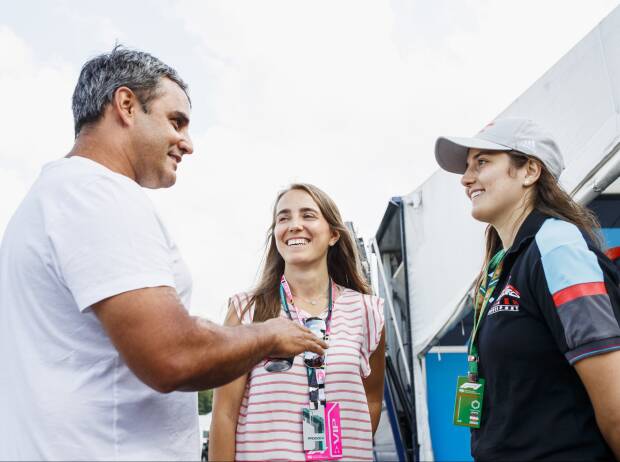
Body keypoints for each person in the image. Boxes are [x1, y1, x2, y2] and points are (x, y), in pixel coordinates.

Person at [0, 46, 326, 461]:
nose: (187, 144)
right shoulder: (98, 195)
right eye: (177, 122)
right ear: (126, 105)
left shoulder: (52, 197)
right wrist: (268, 334)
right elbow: (173, 355)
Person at [435, 117, 620, 460]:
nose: (465, 178)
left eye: (482, 162)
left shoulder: (558, 247)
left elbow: (616, 405)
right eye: (466, 166)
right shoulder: (504, 265)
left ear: (530, 171)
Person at [209, 183, 386, 461]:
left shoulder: (368, 311)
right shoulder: (245, 310)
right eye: (283, 218)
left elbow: (372, 400)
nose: (294, 225)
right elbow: (224, 413)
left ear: (333, 235)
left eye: (308, 215)